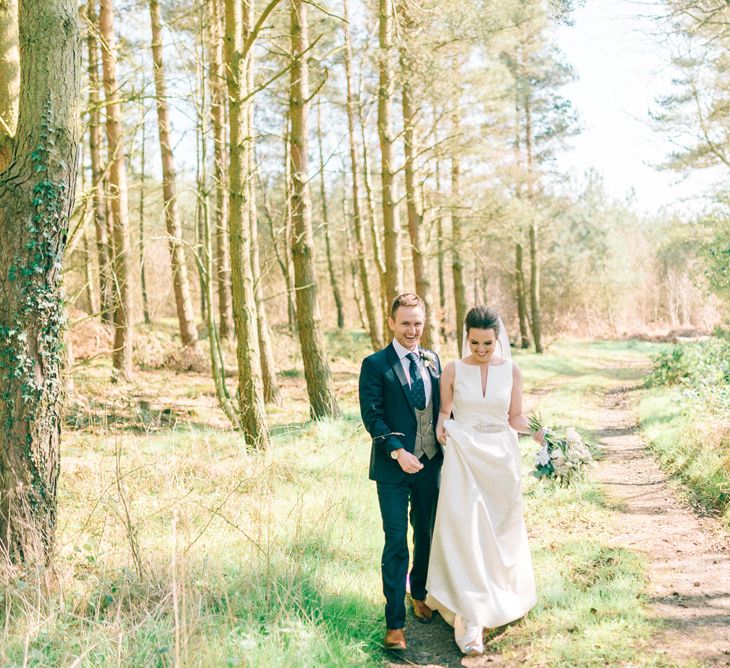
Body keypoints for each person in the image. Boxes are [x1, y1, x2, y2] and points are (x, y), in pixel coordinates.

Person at [425, 305, 539, 655]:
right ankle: (469, 617)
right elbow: (444, 414)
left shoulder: (512, 371)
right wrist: (443, 429)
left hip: (502, 461)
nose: (481, 350)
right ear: (466, 337)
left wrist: (538, 431)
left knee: (500, 531)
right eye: (474, 343)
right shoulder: (452, 370)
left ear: (498, 338)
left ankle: (498, 595)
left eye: (487, 343)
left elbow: (515, 417)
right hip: (464, 455)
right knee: (466, 529)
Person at [358, 293, 443, 651]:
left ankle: (419, 593)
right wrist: (397, 451)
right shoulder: (375, 364)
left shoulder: (434, 360)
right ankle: (394, 623)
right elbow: (372, 415)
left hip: (431, 464)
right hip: (393, 471)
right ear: (391, 322)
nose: (412, 330)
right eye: (405, 322)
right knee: (396, 541)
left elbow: (441, 409)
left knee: (425, 533)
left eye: (418, 323)